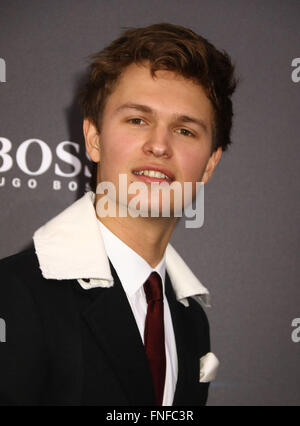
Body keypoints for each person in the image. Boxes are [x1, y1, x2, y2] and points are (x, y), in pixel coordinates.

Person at [0, 23, 237, 406]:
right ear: (93, 138)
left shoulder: (191, 320)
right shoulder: (13, 295)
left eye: (185, 130)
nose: (159, 145)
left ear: (209, 164)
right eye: (137, 120)